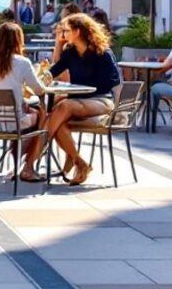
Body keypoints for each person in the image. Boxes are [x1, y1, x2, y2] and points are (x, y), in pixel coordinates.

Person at [38, 13, 121, 185]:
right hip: (79, 101)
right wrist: (44, 76)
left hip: (101, 100)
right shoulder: (71, 52)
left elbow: (112, 81)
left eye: (66, 30)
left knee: (63, 106)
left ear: (78, 31)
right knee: (57, 117)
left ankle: (40, 148)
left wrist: (79, 90)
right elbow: (55, 70)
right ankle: (78, 160)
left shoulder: (102, 53)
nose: (63, 34)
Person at [0, 22, 47, 183]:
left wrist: (21, 100)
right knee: (45, 117)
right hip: (14, 122)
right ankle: (28, 166)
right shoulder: (22, 62)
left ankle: (19, 159)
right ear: (18, 40)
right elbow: (39, 90)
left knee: (33, 113)